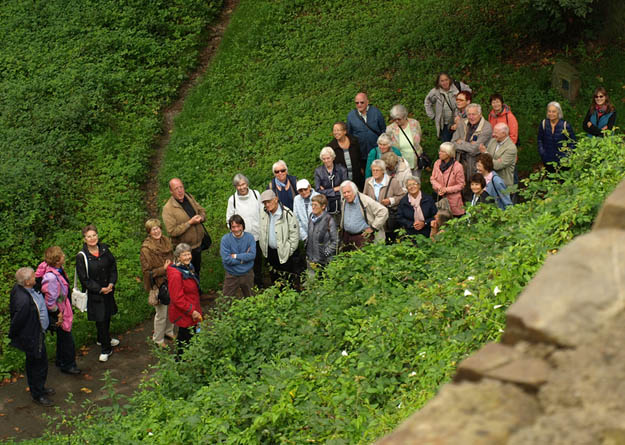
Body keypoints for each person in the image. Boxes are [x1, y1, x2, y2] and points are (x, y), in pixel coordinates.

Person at [9, 267, 54, 406]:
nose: (36, 278)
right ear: (28, 281)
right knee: (37, 365)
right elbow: (18, 321)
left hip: (36, 333)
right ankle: (37, 394)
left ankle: (40, 388)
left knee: (40, 363)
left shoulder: (21, 288)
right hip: (33, 337)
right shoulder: (23, 301)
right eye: (34, 277)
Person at [76, 225, 118, 363]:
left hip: (108, 290)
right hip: (95, 293)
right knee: (100, 319)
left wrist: (111, 283)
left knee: (106, 317)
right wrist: (100, 289)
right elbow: (84, 279)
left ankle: (103, 339)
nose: (92, 238)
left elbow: (113, 267)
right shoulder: (81, 257)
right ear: (85, 239)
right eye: (89, 236)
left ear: (97, 236)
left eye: (94, 235)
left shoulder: (105, 249)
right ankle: (106, 349)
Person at [36, 246, 80, 374]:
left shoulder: (54, 268)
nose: (64, 256)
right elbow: (50, 301)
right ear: (57, 261)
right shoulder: (51, 278)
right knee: (67, 338)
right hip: (60, 310)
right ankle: (68, 365)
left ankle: (61, 360)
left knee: (62, 336)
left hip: (63, 306)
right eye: (61, 255)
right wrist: (58, 314)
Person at [140, 218, 175, 348]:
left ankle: (169, 331)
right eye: (153, 229)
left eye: (158, 228)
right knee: (161, 313)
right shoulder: (146, 249)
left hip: (171, 279)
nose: (156, 231)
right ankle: (158, 339)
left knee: (172, 307)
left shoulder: (166, 241)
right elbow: (147, 272)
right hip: (158, 283)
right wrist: (163, 269)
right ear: (149, 232)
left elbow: (172, 257)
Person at [162, 178, 207, 276]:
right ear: (171, 191)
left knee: (196, 270)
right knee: (185, 275)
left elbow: (201, 210)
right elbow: (171, 231)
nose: (180, 190)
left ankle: (197, 289)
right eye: (176, 189)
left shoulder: (189, 197)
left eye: (181, 187)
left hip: (197, 244)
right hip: (183, 249)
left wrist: (201, 217)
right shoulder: (168, 209)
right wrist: (190, 223)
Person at [226, 173, 263, 288]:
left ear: (247, 184)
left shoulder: (256, 194)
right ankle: (246, 285)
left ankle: (259, 283)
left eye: (243, 184)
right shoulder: (233, 200)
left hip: (257, 235)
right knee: (244, 261)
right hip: (242, 238)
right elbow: (229, 219)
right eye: (238, 185)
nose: (241, 187)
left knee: (257, 261)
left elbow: (262, 213)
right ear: (235, 187)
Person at [259, 189, 301, 287]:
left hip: (284, 253)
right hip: (270, 253)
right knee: (274, 278)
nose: (267, 205)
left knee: (287, 280)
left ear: (276, 199)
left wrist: (288, 250)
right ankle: (277, 298)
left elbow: (294, 235)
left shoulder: (287, 214)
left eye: (269, 202)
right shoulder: (264, 213)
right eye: (265, 203)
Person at [167, 243, 202, 359]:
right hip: (184, 313)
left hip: (193, 307)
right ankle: (180, 363)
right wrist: (192, 311)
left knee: (193, 336)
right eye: (184, 255)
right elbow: (177, 298)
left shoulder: (188, 267)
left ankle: (192, 359)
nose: (187, 257)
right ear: (178, 257)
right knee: (185, 339)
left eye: (188, 254)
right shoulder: (176, 274)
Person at [452, 103, 493, 200]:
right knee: (461, 187)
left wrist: (461, 142)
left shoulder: (486, 127)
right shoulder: (462, 123)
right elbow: (452, 143)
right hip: (461, 161)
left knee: (475, 189)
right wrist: (468, 145)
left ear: (480, 114)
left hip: (476, 164)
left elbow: (474, 150)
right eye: (469, 114)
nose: (471, 117)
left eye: (473, 114)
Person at [363, 159, 405, 241]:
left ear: (383, 171)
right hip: (373, 218)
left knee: (389, 241)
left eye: (377, 170)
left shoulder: (392, 181)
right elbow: (364, 197)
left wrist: (391, 200)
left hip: (387, 218)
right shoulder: (368, 182)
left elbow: (402, 196)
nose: (374, 172)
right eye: (373, 170)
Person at [339, 180, 388, 250]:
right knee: (347, 259)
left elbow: (383, 211)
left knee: (362, 259)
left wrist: (373, 227)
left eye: (348, 192)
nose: (346, 194)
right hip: (347, 237)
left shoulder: (365, 200)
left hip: (362, 237)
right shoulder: (344, 200)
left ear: (354, 191)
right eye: (344, 193)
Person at [424, 72, 472, 142]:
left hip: (459, 120)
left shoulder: (457, 86)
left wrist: (461, 96)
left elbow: (469, 92)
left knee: (460, 141)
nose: (444, 83)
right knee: (447, 144)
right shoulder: (435, 92)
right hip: (444, 124)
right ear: (438, 82)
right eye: (442, 81)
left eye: (446, 80)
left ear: (450, 80)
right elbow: (427, 102)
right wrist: (432, 116)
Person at [220, 215, 256, 298]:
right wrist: (243, 259)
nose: (236, 229)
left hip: (247, 273)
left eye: (238, 226)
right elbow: (226, 259)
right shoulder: (225, 239)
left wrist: (235, 256)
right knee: (226, 299)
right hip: (231, 274)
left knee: (250, 298)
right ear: (230, 228)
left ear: (243, 226)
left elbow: (252, 255)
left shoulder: (250, 237)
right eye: (233, 227)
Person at [347, 92, 386, 165]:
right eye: (357, 103)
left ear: (367, 102)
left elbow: (383, 130)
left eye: (362, 102)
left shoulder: (376, 112)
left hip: (376, 151)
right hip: (360, 153)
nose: (359, 105)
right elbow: (349, 134)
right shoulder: (351, 116)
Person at [537, 101, 577, 173]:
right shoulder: (543, 124)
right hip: (548, 160)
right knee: (550, 181)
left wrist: (567, 156)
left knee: (563, 182)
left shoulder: (565, 125)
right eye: (549, 111)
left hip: (563, 162)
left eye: (554, 112)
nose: (551, 114)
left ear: (558, 112)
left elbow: (573, 142)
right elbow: (540, 139)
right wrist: (542, 152)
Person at [386, 104, 423, 176]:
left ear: (405, 116)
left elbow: (419, 136)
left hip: (416, 160)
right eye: (394, 119)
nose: (396, 121)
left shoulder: (415, 123)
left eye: (399, 119)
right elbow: (389, 146)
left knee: (415, 184)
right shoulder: (390, 129)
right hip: (400, 163)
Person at [430, 142, 466, 217]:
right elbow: (432, 178)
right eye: (439, 151)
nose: (439, 153)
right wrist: (440, 187)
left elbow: (461, 185)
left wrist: (446, 189)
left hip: (453, 202)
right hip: (438, 198)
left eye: (442, 152)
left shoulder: (458, 167)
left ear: (449, 154)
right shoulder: (437, 163)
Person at [306, 194, 338, 275]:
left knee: (324, 283)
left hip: (325, 261)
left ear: (323, 206)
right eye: (312, 204)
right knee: (312, 283)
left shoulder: (329, 220)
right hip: (311, 258)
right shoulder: (310, 217)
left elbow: (336, 241)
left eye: (315, 205)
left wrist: (325, 252)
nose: (313, 207)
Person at [328, 121, 364, 190]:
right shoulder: (331, 147)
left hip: (357, 176)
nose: (335, 132)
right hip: (342, 179)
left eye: (338, 130)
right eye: (334, 130)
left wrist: (361, 168)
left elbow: (360, 156)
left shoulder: (354, 141)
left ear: (345, 131)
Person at [480, 123, 517, 188]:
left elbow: (497, 166)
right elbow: (484, 160)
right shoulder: (492, 141)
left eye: (496, 133)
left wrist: (485, 153)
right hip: (489, 182)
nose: (493, 134)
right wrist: (495, 160)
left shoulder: (511, 148)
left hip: (503, 185)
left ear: (504, 134)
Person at [314, 147, 347, 218]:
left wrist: (325, 191)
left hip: (341, 203)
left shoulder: (342, 169)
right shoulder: (318, 171)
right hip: (326, 205)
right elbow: (318, 190)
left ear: (333, 158)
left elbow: (345, 187)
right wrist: (335, 189)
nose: (326, 161)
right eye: (324, 159)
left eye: (328, 158)